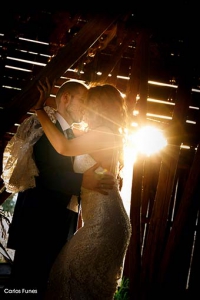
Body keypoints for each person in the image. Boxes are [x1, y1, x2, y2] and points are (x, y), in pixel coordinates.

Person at [3, 79, 114, 299]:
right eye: (83, 100)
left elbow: (89, 166)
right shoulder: (45, 129)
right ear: (65, 98)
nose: (86, 107)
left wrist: (104, 176)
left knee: (43, 286)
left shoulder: (75, 135)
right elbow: (45, 174)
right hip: (38, 222)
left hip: (62, 222)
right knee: (25, 286)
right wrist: (83, 182)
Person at [35, 79, 132, 300]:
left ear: (99, 107)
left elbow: (64, 146)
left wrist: (39, 109)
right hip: (104, 220)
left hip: (105, 223)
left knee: (65, 275)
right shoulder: (101, 133)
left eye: (89, 104)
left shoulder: (104, 132)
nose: (84, 109)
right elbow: (94, 165)